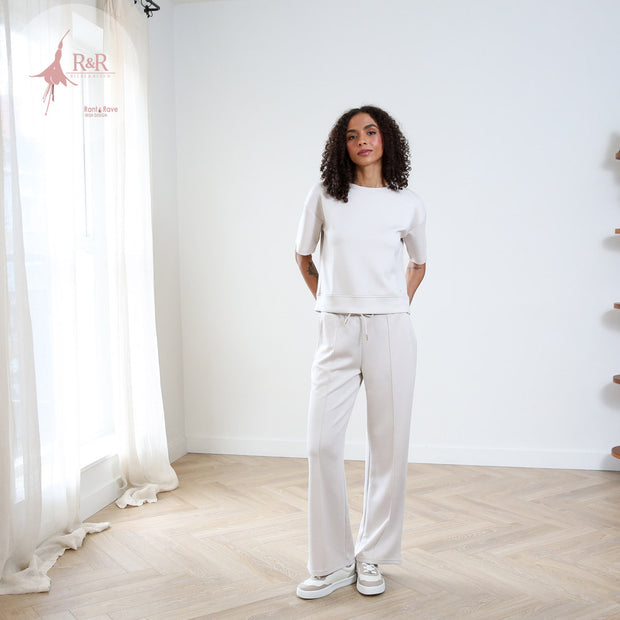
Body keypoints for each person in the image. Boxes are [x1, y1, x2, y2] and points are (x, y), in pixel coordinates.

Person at [294, 105, 427, 600]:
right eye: (352, 135)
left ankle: (372, 554)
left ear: (386, 139)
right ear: (342, 145)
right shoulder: (325, 196)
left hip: (391, 329)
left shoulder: (408, 204)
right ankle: (331, 563)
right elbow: (303, 256)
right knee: (321, 444)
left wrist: (395, 304)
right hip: (337, 329)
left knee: (388, 445)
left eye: (371, 132)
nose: (363, 141)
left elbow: (419, 262)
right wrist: (330, 302)